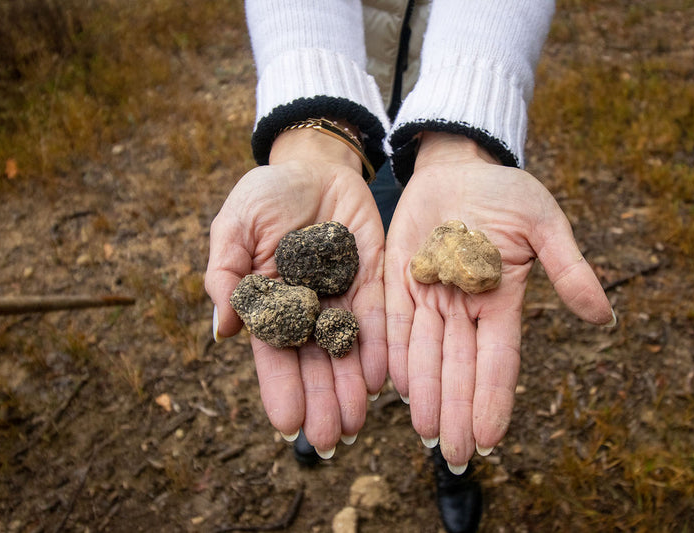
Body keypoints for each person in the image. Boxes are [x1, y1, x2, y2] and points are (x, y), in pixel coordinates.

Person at [205, 1, 616, 531]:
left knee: (443, 343)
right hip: (350, 117)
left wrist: (468, 126)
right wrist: (309, 134)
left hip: (452, 106)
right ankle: (318, 385)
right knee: (371, 257)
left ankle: (449, 453)